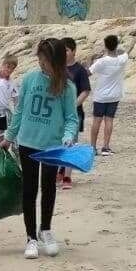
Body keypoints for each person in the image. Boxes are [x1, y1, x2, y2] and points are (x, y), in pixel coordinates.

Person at [4, 37, 77, 260]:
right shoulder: (29, 79)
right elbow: (19, 111)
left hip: (52, 145)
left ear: (56, 61)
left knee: (48, 187)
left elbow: (71, 118)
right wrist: (9, 136)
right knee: (29, 189)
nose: (41, 63)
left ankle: (45, 230)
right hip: (28, 142)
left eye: (45, 60)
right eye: (40, 59)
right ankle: (30, 238)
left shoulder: (67, 87)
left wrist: (68, 137)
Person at [89, 35, 129, 157]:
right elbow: (124, 51)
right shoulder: (122, 60)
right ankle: (106, 147)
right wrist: (117, 49)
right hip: (115, 95)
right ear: (116, 45)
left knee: (97, 120)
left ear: (105, 46)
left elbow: (89, 72)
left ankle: (92, 147)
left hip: (101, 95)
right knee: (109, 120)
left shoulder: (102, 62)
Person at [59, 37, 90, 190]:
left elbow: (85, 91)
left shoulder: (80, 70)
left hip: (74, 113)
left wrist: (72, 105)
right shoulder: (57, 68)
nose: (64, 53)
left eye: (66, 50)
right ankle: (60, 170)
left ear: (73, 51)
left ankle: (67, 176)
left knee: (70, 143)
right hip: (57, 114)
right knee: (57, 142)